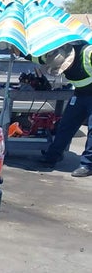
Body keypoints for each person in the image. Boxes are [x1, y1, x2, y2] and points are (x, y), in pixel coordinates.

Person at [31, 42, 92, 177]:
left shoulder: (88, 53)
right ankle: (53, 156)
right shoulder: (54, 54)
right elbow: (37, 58)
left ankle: (88, 164)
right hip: (80, 94)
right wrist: (20, 52)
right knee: (66, 124)